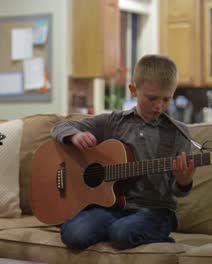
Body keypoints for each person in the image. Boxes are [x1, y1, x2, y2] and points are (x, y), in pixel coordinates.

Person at [51, 54, 195, 250]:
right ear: (133, 90)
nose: (159, 106)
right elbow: (60, 126)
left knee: (122, 233)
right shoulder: (113, 122)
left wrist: (184, 181)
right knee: (73, 234)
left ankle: (144, 234)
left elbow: (178, 191)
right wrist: (74, 136)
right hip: (112, 207)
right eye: (152, 98)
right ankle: (115, 229)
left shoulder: (179, 133)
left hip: (155, 210)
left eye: (166, 99)